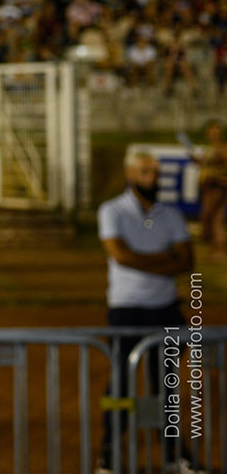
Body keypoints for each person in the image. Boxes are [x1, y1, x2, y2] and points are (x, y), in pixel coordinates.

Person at [96, 151, 197, 474]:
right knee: (121, 383)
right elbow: (120, 256)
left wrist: (142, 260)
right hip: (126, 310)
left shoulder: (172, 215)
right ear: (130, 175)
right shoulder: (112, 210)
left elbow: (187, 261)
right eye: (144, 172)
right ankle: (109, 450)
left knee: (166, 385)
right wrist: (166, 261)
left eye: (155, 172)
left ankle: (173, 453)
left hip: (165, 310)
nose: (152, 178)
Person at [193, 119, 227, 261]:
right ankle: (215, 250)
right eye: (211, 133)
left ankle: (218, 250)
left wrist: (215, 176)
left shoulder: (222, 149)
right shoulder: (211, 149)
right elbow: (208, 166)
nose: (213, 135)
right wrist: (198, 161)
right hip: (209, 189)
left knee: (213, 218)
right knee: (212, 219)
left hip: (218, 189)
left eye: (216, 132)